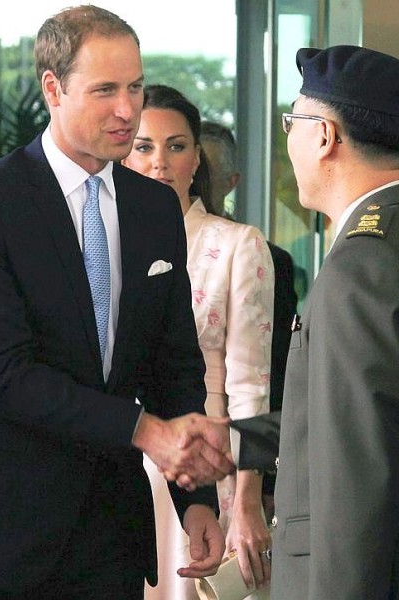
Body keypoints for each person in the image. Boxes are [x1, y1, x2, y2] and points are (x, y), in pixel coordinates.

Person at [0, 7, 232, 600]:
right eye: (105, 89)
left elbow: (174, 363)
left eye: (134, 86)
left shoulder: (155, 208)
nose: (127, 109)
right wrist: (144, 431)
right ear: (52, 88)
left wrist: (196, 500)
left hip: (107, 537)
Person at [224, 45, 399, 599]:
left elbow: (353, 486)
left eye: (292, 122)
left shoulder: (363, 265)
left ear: (324, 136)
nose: (287, 140)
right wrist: (232, 440)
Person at [123, 84, 275, 599]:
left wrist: (249, 501)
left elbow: (252, 384)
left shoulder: (236, 244)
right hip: (118, 457)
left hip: (206, 457)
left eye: (176, 146)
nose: (159, 161)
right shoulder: (101, 240)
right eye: (143, 146)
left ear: (196, 160)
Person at [199, 120, 298, 516]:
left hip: (226, 450)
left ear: (232, 181)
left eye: (206, 170)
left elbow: (271, 371)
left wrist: (263, 484)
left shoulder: (262, 255)